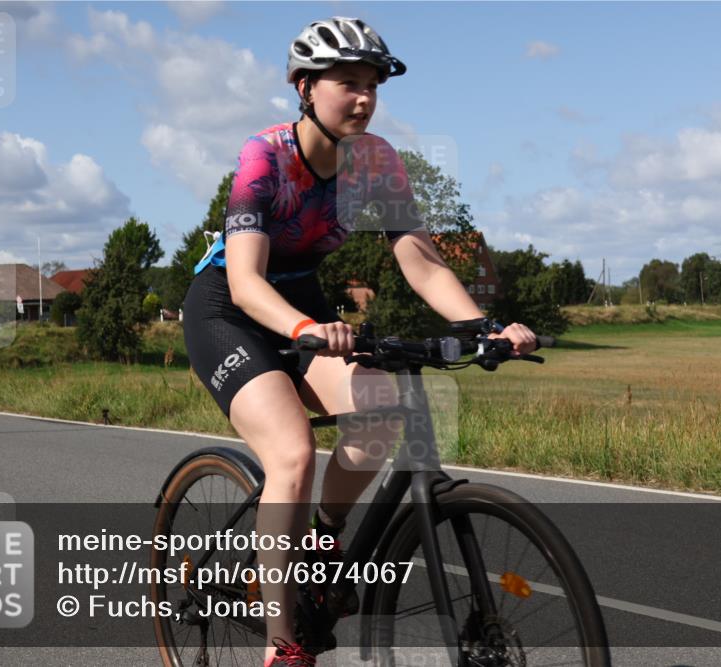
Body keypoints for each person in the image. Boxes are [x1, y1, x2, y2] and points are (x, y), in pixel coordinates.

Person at [182, 16, 538, 667]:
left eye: (372, 85)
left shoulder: (375, 160)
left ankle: (320, 540)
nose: (365, 98)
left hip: (303, 305)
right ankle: (282, 641)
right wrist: (307, 330)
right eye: (349, 83)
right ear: (305, 87)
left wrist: (482, 327)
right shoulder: (265, 156)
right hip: (230, 308)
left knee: (378, 405)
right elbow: (245, 278)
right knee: (292, 452)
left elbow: (420, 259)